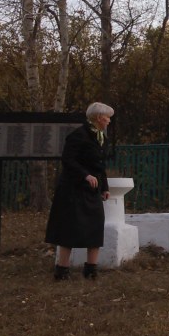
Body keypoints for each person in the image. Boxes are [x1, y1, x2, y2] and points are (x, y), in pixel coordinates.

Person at [45, 102, 113, 280]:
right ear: (99, 118)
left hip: (92, 191)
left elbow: (100, 166)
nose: (109, 121)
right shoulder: (78, 136)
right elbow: (68, 160)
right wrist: (85, 175)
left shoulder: (102, 138)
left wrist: (104, 187)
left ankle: (91, 270)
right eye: (107, 117)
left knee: (96, 227)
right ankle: (62, 271)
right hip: (73, 190)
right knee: (69, 229)